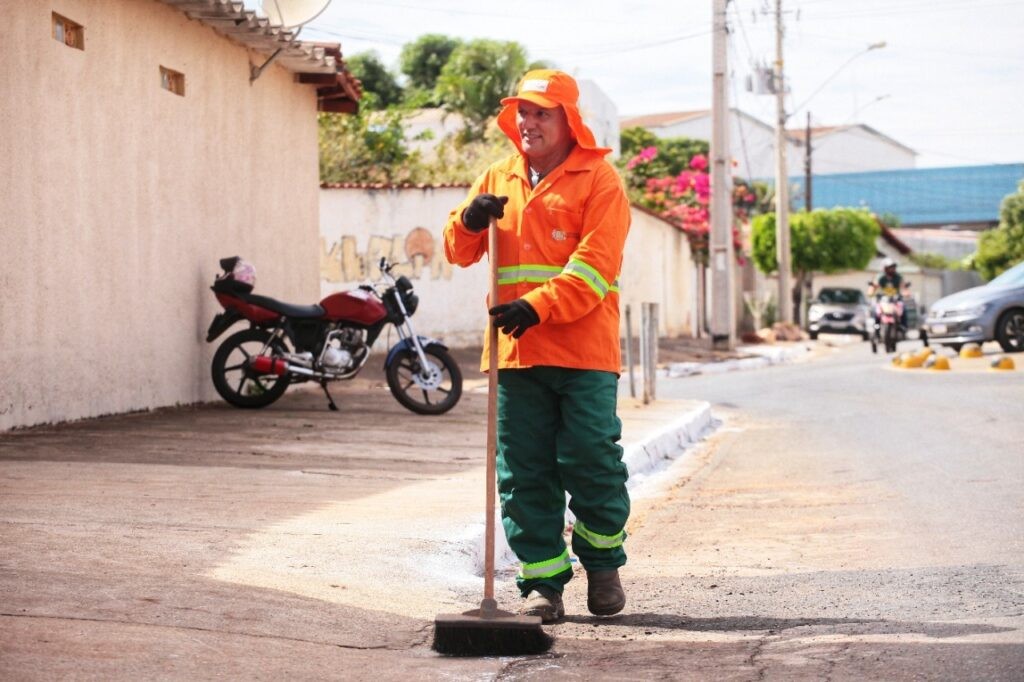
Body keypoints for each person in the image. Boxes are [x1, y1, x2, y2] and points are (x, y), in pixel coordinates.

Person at [443, 69, 631, 623]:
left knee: (592, 460)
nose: (528, 123)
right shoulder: (497, 176)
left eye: (541, 113)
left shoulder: (600, 180)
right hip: (515, 357)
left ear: (568, 120)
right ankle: (543, 586)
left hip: (583, 354)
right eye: (522, 112)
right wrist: (471, 220)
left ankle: (602, 565)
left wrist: (538, 306)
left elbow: (596, 268)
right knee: (523, 471)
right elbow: (458, 251)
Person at [868, 257, 911, 328]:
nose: (893, 269)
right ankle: (876, 325)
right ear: (885, 268)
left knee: (903, 307)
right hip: (883, 299)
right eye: (890, 267)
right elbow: (875, 285)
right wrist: (871, 290)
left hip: (895, 299)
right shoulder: (880, 277)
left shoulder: (898, 277)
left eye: (893, 267)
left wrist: (906, 293)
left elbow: (903, 286)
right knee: (876, 309)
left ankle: (903, 326)